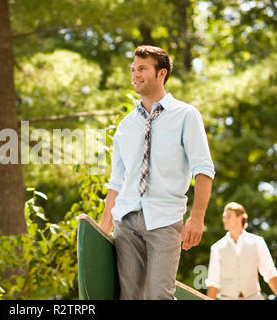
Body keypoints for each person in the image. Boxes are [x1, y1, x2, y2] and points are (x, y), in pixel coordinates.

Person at [99, 45, 215, 300]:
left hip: (165, 219)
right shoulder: (126, 126)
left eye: (142, 69)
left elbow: (203, 170)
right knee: (128, 296)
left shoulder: (186, 115)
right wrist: (103, 228)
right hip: (126, 221)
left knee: (159, 295)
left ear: (161, 74)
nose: (135, 75)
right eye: (133, 69)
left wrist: (196, 218)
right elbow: (116, 181)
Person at [206, 202, 277, 300]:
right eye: (224, 217)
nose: (225, 220)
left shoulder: (257, 242)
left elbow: (270, 273)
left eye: (229, 217)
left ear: (240, 217)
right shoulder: (217, 247)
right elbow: (213, 282)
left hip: (254, 297)